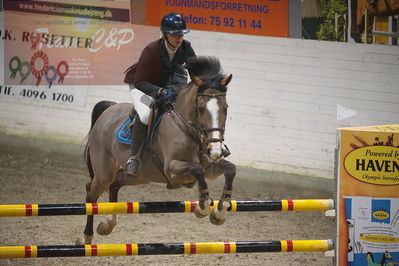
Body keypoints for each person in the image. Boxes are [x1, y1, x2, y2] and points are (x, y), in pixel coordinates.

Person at [123, 12, 196, 177]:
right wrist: (159, 91)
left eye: (181, 34)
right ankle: (134, 158)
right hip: (142, 85)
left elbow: (195, 72)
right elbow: (141, 81)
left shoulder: (186, 47)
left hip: (167, 85)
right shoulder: (152, 50)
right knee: (145, 114)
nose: (179, 38)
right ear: (165, 34)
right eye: (175, 34)